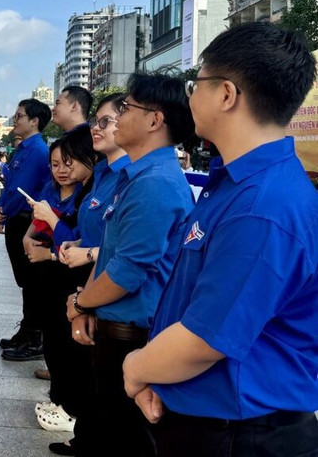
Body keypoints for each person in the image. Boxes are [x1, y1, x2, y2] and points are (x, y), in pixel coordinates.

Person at [122, 22, 318, 456]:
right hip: (209, 418)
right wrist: (161, 376)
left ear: (226, 94)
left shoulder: (263, 205)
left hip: (242, 435)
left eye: (196, 84)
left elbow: (204, 339)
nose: (190, 97)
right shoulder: (235, 185)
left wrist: (136, 368)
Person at [66, 73, 195, 456]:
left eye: (125, 108)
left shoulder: (155, 183)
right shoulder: (133, 177)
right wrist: (85, 303)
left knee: (123, 439)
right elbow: (111, 251)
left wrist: (80, 303)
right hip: (113, 326)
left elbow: (128, 272)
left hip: (133, 336)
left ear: (155, 120)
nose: (117, 117)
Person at [30, 94, 130, 456]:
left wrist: (83, 299)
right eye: (96, 122)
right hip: (86, 286)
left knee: (99, 383)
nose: (95, 129)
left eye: (105, 121)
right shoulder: (105, 175)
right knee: (88, 374)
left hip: (110, 298)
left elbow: (128, 256)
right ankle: (85, 436)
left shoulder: (142, 180)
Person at [12, 129, 99, 442]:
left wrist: (51, 244)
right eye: (56, 164)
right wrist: (29, 238)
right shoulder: (53, 189)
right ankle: (61, 399)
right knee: (54, 338)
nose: (62, 169)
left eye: (68, 162)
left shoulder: (92, 192)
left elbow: (83, 243)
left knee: (70, 346)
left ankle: (71, 408)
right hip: (51, 276)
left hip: (75, 278)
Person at [0, 99, 52, 357]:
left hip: (27, 220)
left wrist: (4, 211)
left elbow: (23, 189)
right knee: (26, 281)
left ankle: (34, 338)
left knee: (32, 281)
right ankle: (26, 331)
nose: (15, 120)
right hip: (16, 218)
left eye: (19, 116)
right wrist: (0, 208)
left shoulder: (37, 150)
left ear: (34, 121)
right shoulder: (23, 148)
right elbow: (10, 183)